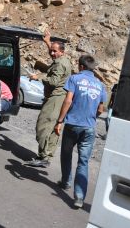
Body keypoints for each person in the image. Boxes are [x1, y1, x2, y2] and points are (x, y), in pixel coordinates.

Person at [54, 55, 107, 208]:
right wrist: (91, 118)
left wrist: (59, 121)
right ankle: (79, 197)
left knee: (66, 154)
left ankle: (65, 182)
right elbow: (101, 109)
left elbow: (68, 100)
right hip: (89, 128)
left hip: (72, 124)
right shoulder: (100, 84)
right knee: (83, 161)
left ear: (81, 66)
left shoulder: (74, 79)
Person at [26, 29, 72, 167]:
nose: (52, 53)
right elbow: (54, 55)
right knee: (53, 129)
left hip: (55, 99)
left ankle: (43, 156)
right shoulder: (62, 59)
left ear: (62, 51)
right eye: (51, 50)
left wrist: (37, 77)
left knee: (42, 127)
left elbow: (53, 81)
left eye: (54, 51)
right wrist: (48, 42)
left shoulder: (59, 63)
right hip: (58, 98)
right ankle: (47, 155)